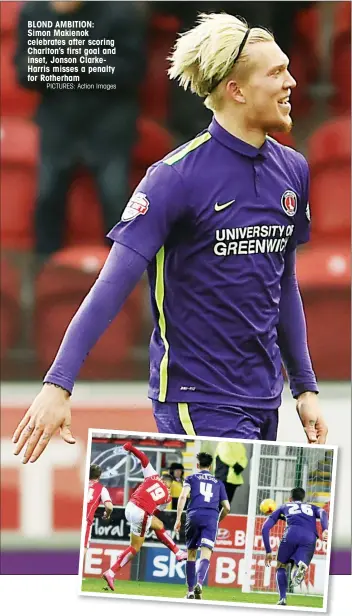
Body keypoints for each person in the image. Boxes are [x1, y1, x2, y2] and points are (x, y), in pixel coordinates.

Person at [13, 12, 328, 465]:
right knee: (209, 529)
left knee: (226, 535)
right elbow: (111, 285)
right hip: (196, 396)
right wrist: (58, 383)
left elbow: (283, 284)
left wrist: (305, 387)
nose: (292, 83)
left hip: (264, 397)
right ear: (236, 91)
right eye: (277, 73)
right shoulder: (173, 179)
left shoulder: (293, 169)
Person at [14, 1, 146, 259]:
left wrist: (71, 58)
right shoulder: (33, 12)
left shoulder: (122, 11)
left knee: (115, 199)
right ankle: (44, 278)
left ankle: (122, 277)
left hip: (109, 123)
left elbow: (131, 72)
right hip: (58, 123)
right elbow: (25, 72)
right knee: (47, 197)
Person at [102, 442, 187, 591]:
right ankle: (111, 571)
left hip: (129, 507)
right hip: (142, 513)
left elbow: (143, 458)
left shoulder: (153, 476)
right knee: (135, 547)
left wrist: (131, 448)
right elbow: (154, 512)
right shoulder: (167, 497)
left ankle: (177, 552)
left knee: (158, 525)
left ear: (161, 478)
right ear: (170, 485)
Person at [174, 452, 231, 599]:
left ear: (197, 465)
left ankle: (190, 591)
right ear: (211, 466)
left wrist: (178, 518)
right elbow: (227, 507)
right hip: (211, 516)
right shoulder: (219, 483)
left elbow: (182, 496)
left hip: (193, 515)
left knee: (192, 553)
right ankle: (200, 582)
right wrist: (218, 520)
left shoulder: (191, 478)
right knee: (206, 553)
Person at [262, 487, 329, 606]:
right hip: (309, 537)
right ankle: (299, 568)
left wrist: (268, 551)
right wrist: (325, 529)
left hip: (291, 534)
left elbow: (265, 528)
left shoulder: (284, 506)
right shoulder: (311, 507)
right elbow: (323, 512)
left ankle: (282, 598)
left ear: (290, 498)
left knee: (280, 566)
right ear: (304, 498)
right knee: (298, 564)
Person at [85, 464, 113, 557]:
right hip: (85, 522)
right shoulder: (101, 489)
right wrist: (107, 515)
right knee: (83, 548)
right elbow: (109, 507)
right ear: (99, 476)